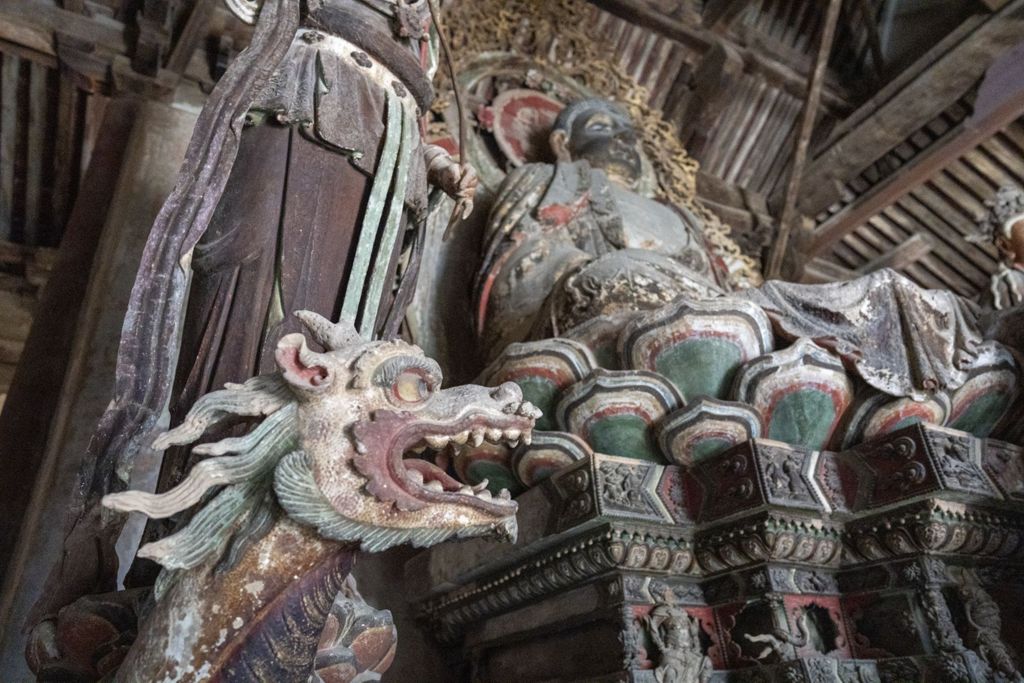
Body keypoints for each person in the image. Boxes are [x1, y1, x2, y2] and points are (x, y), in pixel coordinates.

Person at [31, 0, 477, 626]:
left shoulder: (424, 27)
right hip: (301, 119)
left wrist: (431, 164)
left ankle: (291, 562)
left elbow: (400, 92)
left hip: (385, 161)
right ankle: (199, 550)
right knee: (257, 338)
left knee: (349, 365)